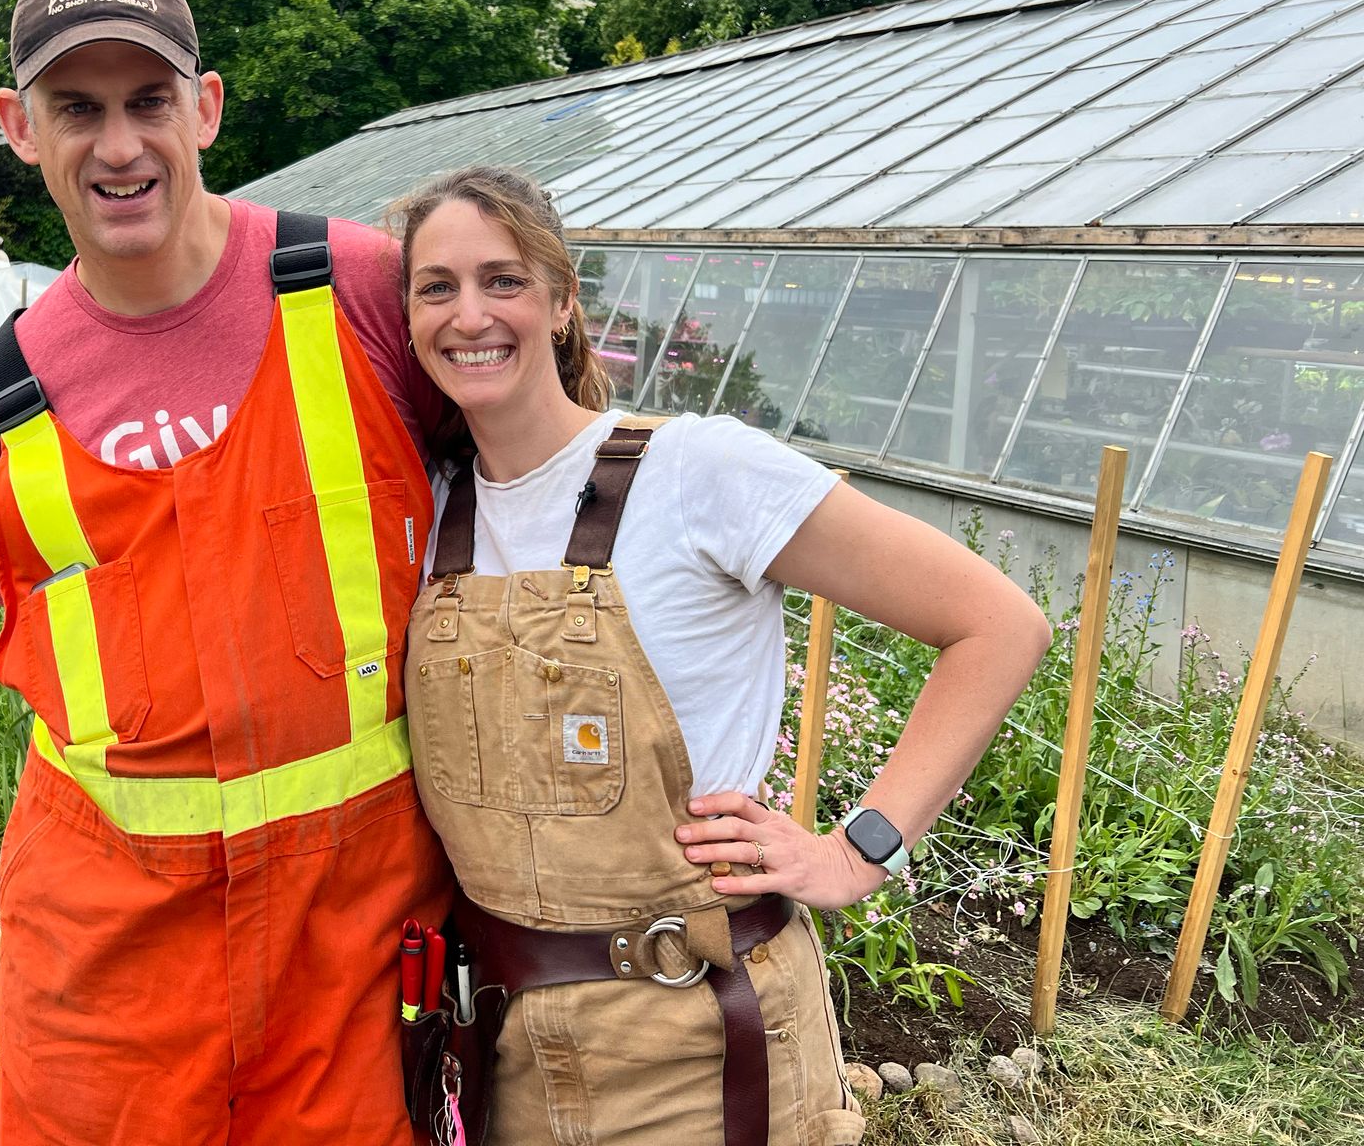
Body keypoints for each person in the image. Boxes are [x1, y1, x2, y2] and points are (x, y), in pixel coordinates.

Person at [388, 165, 1052, 1146]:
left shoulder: (695, 471)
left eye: (504, 280)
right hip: (510, 1043)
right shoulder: (426, 508)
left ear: (564, 303)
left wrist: (857, 849)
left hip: (703, 1043)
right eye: (435, 287)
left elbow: (997, 625)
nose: (469, 313)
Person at [0, 0, 451, 1144]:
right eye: (78, 108)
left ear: (206, 108)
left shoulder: (358, 290)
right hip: (107, 965)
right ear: (20, 127)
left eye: (148, 102)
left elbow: (538, 490)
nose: (118, 146)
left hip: (354, 936)